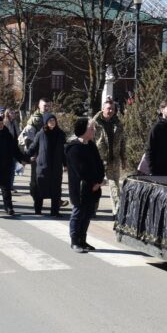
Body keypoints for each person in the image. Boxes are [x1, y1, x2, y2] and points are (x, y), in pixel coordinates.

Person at [66, 117, 105, 253]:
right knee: (78, 213)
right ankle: (75, 241)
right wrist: (93, 183)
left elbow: (99, 164)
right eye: (91, 128)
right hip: (81, 188)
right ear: (83, 129)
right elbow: (81, 170)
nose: (93, 130)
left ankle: (83, 240)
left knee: (88, 214)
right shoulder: (73, 148)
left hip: (94, 187)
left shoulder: (91, 145)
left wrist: (99, 181)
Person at [92, 98, 127, 213]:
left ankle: (117, 211)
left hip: (113, 159)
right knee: (95, 185)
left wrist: (123, 159)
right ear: (102, 109)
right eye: (108, 108)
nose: (111, 110)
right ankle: (92, 209)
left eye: (113, 109)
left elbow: (122, 142)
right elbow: (89, 140)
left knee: (115, 186)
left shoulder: (118, 124)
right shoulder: (94, 123)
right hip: (98, 160)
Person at [27, 113, 65, 216]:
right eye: (50, 121)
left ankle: (55, 211)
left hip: (56, 166)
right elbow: (33, 147)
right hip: (43, 166)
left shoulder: (61, 134)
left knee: (56, 190)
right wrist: (25, 157)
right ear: (46, 122)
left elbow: (63, 151)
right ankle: (38, 210)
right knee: (40, 189)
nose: (52, 122)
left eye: (53, 120)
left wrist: (66, 164)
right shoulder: (41, 134)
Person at [20, 97, 52, 204]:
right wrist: (32, 154)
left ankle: (47, 197)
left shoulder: (49, 117)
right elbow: (29, 138)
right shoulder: (35, 119)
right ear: (39, 106)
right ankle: (36, 198)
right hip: (36, 154)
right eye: (45, 106)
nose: (47, 108)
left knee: (46, 177)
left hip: (46, 153)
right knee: (36, 177)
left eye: (48, 106)